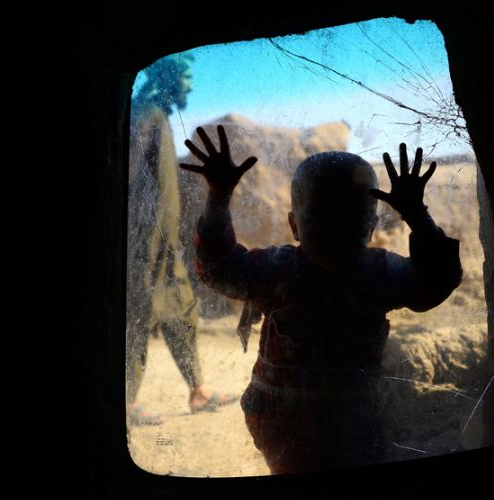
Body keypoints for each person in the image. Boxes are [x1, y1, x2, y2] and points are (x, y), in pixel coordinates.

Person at [182, 125, 463, 474]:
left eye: (351, 215)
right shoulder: (295, 270)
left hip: (346, 418)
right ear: (294, 226)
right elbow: (218, 269)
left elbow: (435, 284)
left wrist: (418, 216)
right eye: (322, 214)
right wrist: (218, 197)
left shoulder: (369, 272)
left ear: (371, 226)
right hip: (290, 421)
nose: (337, 227)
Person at [125, 55, 237, 426]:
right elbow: (137, 186)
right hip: (145, 249)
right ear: (169, 77)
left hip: (162, 247)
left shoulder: (158, 116)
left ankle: (198, 391)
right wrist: (147, 250)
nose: (190, 85)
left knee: (182, 311)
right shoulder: (147, 114)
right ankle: (123, 402)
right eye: (186, 77)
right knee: (137, 316)